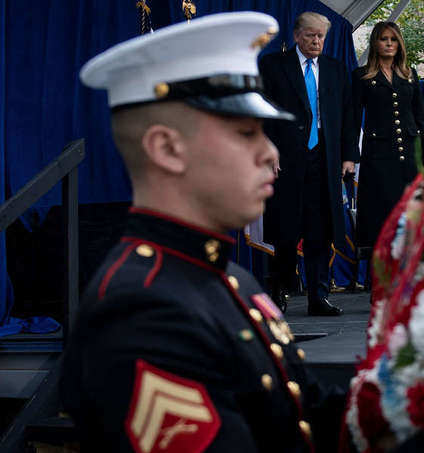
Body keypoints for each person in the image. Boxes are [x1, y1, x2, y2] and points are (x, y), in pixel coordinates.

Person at [59, 13, 347, 452]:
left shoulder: (230, 280)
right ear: (167, 148)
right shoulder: (145, 312)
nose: (270, 152)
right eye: (247, 133)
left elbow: (310, 417)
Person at [258, 12, 358, 316]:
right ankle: (279, 290)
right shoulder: (274, 65)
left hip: (324, 161)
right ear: (297, 35)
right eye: (311, 36)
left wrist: (348, 155)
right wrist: (267, 147)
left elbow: (348, 116)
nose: (317, 42)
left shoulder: (336, 69)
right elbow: (262, 110)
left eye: (321, 37)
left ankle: (318, 296)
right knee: (285, 230)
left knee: (321, 232)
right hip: (286, 160)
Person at [352, 21, 424, 253]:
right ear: (375, 43)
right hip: (378, 157)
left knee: (410, 217)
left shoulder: (410, 75)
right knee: (382, 218)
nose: (389, 43)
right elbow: (353, 120)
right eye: (384, 39)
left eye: (393, 39)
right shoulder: (362, 76)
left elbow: (421, 119)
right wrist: (349, 156)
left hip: (408, 155)